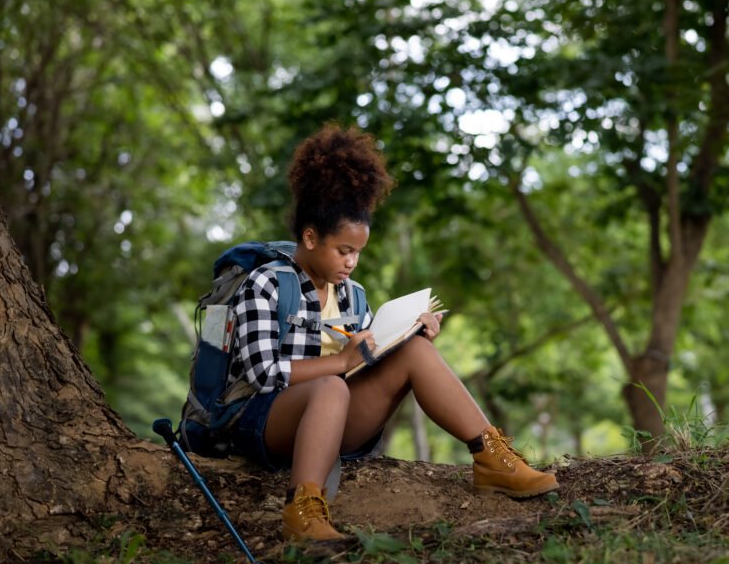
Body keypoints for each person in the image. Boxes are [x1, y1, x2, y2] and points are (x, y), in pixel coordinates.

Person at [225, 123, 558, 542]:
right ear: (310, 237)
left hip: (336, 418)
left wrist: (407, 337)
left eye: (358, 253)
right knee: (331, 385)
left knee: (414, 354)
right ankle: (304, 511)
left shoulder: (353, 296)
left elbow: (367, 360)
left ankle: (491, 459)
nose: (351, 263)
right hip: (265, 423)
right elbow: (262, 374)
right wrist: (342, 363)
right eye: (343, 251)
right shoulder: (267, 284)